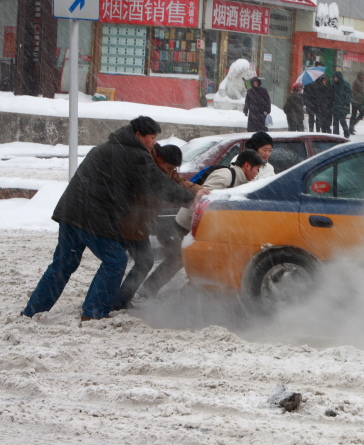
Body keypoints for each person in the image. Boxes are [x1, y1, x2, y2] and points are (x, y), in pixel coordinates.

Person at [21, 116, 199, 321]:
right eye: (151, 137)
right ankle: (93, 311)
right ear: (138, 135)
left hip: (71, 212)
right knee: (115, 260)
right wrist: (190, 200)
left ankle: (33, 310)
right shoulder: (134, 155)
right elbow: (158, 183)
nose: (154, 142)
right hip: (92, 216)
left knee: (62, 265)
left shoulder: (107, 148)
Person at [139, 149, 265, 298]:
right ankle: (154, 289)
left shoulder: (240, 180)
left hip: (204, 225)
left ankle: (174, 290)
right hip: (190, 223)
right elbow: (204, 198)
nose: (257, 173)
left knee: (186, 259)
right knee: (179, 258)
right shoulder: (226, 176)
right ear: (247, 166)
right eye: (257, 169)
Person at [116, 144, 206, 311]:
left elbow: (181, 182)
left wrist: (202, 191)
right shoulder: (149, 170)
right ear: (160, 158)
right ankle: (110, 300)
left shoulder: (167, 169)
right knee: (118, 261)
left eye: (174, 168)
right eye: (169, 167)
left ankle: (121, 299)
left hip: (142, 221)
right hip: (128, 220)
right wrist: (190, 200)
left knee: (142, 261)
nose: (171, 171)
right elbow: (168, 189)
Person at [332, 71, 353, 138]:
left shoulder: (346, 85)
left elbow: (349, 95)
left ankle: (346, 134)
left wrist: (345, 103)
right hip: (336, 106)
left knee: (342, 121)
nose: (335, 79)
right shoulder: (334, 85)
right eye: (334, 77)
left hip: (343, 107)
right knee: (335, 122)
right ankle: (335, 135)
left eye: (336, 77)